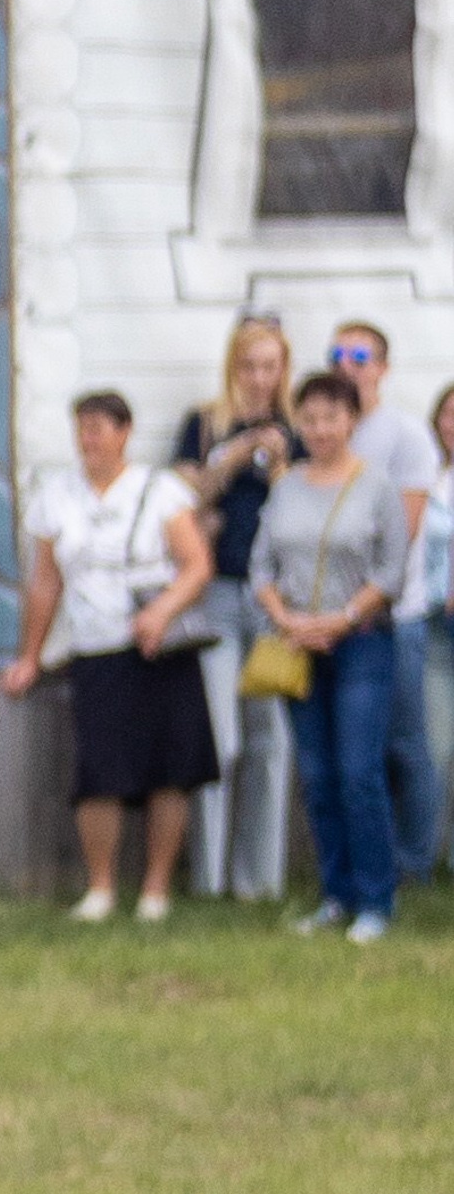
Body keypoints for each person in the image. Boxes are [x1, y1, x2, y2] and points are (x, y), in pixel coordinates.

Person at [2, 392, 217, 922]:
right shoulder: (59, 496)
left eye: (98, 428)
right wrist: (30, 655)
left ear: (125, 431)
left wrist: (161, 612)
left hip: (158, 646)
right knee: (99, 770)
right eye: (82, 429)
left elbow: (195, 565)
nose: (88, 439)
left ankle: (156, 889)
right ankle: (100, 888)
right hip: (95, 647)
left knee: (170, 768)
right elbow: (45, 582)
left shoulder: (160, 489)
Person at [251, 371, 409, 943]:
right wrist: (290, 619)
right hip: (298, 644)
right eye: (309, 418)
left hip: (362, 641)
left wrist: (339, 620)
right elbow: (261, 567)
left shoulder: (378, 487)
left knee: (358, 771)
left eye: (331, 417)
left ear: (351, 421)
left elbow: (391, 572)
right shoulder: (286, 485)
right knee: (316, 774)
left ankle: (376, 900)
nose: (319, 428)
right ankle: (335, 895)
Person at [172, 314, 301, 900]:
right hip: (218, 593)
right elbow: (180, 497)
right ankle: (209, 878)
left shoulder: (300, 428)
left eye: (269, 366)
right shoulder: (202, 424)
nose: (258, 378)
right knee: (221, 739)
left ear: (283, 370)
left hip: (276, 599)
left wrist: (278, 468)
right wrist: (230, 459)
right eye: (248, 366)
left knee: (270, 740)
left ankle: (259, 884)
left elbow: (307, 514)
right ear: (233, 367)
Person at [328, 322, 449, 889]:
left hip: (393, 618)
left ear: (382, 367)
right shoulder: (329, 433)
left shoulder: (402, 435)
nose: (347, 364)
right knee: (352, 753)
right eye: (337, 355)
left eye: (359, 355)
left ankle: (414, 865)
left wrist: (361, 601)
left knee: (406, 745)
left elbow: (401, 531)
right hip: (332, 623)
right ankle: (359, 866)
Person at [412, 384, 454, 882]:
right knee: (436, 746)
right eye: (447, 413)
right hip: (432, 624)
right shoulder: (427, 477)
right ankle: (426, 857)